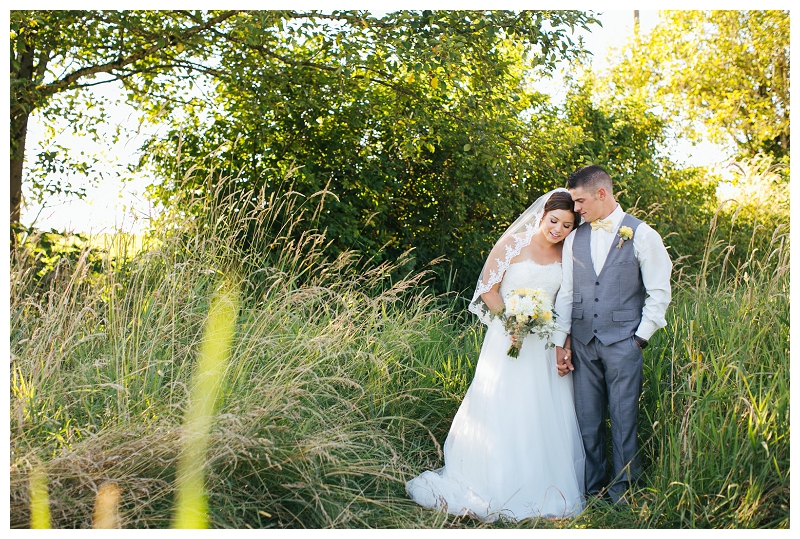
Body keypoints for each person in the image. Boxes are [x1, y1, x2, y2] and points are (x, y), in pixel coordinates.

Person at [406, 189, 586, 522]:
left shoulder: (566, 255)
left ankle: (539, 485)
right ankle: (490, 480)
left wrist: (565, 344)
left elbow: (567, 304)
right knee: (502, 404)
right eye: (554, 221)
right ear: (543, 214)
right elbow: (487, 289)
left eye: (567, 225)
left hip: (544, 345)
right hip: (507, 340)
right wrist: (513, 321)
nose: (558, 229)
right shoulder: (512, 244)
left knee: (541, 410)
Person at [552, 165, 672, 504]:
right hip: (584, 343)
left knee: (624, 421)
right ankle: (592, 490)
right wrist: (563, 341)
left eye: (580, 201)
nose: (576, 209)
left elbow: (659, 293)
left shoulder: (643, 234)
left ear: (601, 194)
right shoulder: (576, 236)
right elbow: (567, 292)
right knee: (587, 421)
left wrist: (640, 338)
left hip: (624, 343)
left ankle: (623, 492)